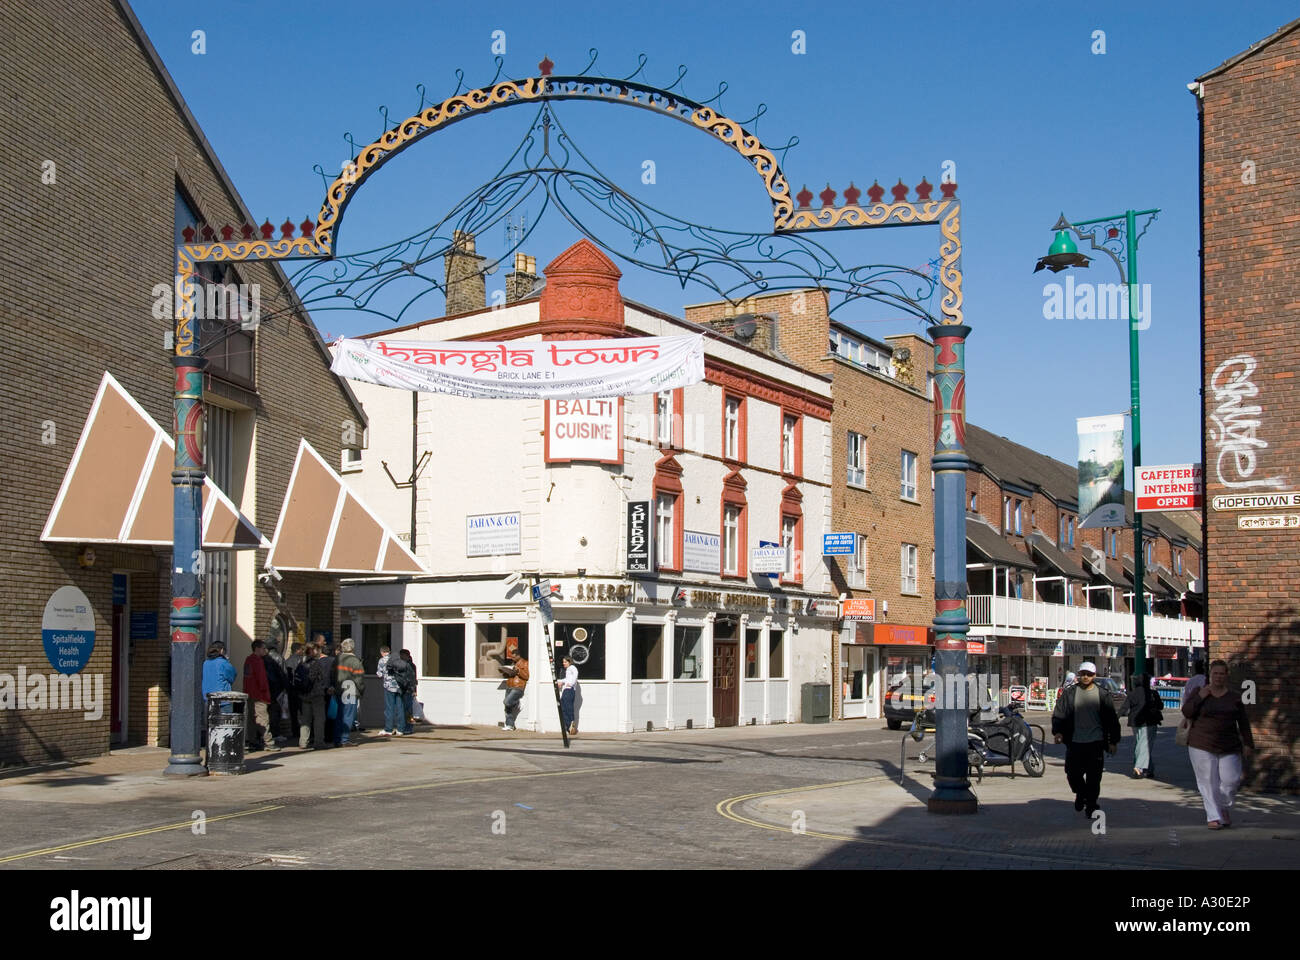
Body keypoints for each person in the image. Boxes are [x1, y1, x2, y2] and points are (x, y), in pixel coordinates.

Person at [1182, 659, 1254, 829]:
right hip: (1201, 743)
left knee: (1231, 780)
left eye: (1222, 674)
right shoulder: (1200, 692)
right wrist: (1200, 697)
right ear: (1210, 675)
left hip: (1229, 744)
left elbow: (1243, 722)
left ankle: (1223, 807)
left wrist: (1248, 743)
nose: (1219, 677)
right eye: (1215, 673)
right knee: (1207, 781)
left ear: (1226, 676)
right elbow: (1186, 711)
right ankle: (1213, 817)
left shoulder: (1234, 697)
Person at [1051, 660, 1121, 817]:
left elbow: (1111, 720)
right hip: (1075, 742)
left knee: (1094, 777)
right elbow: (1059, 713)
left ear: (1094, 676)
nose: (1086, 677)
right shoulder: (1070, 693)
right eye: (1083, 674)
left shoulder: (1102, 695)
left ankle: (1091, 805)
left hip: (1095, 742)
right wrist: (1058, 732)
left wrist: (1113, 742)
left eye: (1089, 674)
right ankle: (1081, 793)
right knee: (1072, 773)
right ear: (1078, 675)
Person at [1121, 673, 1162, 778]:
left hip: (1135, 723)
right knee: (1145, 745)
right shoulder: (1152, 693)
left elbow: (1124, 708)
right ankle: (1139, 768)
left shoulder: (1132, 694)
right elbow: (1160, 706)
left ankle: (1149, 769)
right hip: (1150, 722)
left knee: (1140, 744)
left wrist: (1114, 719)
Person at [242, 640, 279, 752]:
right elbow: (262, 680)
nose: (265, 651)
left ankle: (251, 740)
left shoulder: (248, 660)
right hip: (259, 695)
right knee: (263, 718)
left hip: (250, 693)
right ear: (257, 649)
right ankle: (269, 742)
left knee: (252, 719)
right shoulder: (258, 661)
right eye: (263, 648)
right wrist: (265, 694)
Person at [296, 643, 330, 750]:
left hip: (304, 695)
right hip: (316, 694)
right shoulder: (316, 663)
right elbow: (322, 679)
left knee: (305, 719)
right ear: (313, 651)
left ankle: (303, 742)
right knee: (319, 718)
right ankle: (319, 742)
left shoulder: (301, 663)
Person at [334, 639, 365, 746]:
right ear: (352, 648)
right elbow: (359, 679)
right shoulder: (354, 661)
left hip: (339, 689)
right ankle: (344, 739)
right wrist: (361, 690)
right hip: (350, 690)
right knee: (348, 715)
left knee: (339, 715)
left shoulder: (337, 659)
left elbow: (332, 674)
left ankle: (337, 739)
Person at [492, 643, 529, 731]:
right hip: (509, 685)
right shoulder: (513, 663)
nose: (512, 658)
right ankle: (510, 725)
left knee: (507, 702)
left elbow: (526, 676)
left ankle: (517, 703)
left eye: (513, 657)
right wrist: (504, 672)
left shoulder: (524, 663)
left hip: (518, 686)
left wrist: (518, 670)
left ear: (518, 656)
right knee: (507, 707)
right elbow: (510, 674)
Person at [377, 644, 404, 737]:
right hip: (399, 686)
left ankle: (388, 729)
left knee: (389, 708)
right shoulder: (397, 659)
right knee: (400, 707)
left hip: (389, 687)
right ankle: (400, 729)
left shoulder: (382, 660)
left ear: (382, 652)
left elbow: (379, 674)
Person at [264, 641, 289, 742]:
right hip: (277, 688)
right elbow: (283, 673)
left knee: (267, 712)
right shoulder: (278, 657)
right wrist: (286, 687)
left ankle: (267, 732)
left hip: (267, 688)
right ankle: (275, 733)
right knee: (275, 711)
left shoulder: (264, 658)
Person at [316, 638, 337, 744]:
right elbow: (335, 675)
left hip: (319, 691)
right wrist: (332, 686)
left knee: (320, 715)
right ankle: (330, 736)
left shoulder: (317, 662)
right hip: (330, 690)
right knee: (331, 714)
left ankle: (319, 736)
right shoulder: (334, 661)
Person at [284, 641, 305, 742]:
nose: (303, 651)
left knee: (293, 712)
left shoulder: (287, 661)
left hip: (291, 690)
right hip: (299, 690)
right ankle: (303, 731)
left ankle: (295, 731)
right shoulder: (299, 660)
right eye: (301, 649)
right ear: (297, 650)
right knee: (302, 711)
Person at [556, 655, 579, 736]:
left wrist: (570, 684)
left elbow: (575, 675)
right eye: (563, 662)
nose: (563, 663)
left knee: (568, 706)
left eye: (565, 662)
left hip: (569, 690)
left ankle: (571, 721)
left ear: (569, 662)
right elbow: (567, 679)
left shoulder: (572, 667)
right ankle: (569, 727)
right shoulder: (568, 670)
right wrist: (561, 681)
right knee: (563, 707)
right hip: (566, 689)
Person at [399, 649, 419, 728]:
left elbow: (413, 678)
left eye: (401, 655)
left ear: (405, 655)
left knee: (407, 709)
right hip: (406, 689)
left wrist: (414, 690)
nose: (400, 657)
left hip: (407, 689)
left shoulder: (409, 665)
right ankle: (406, 726)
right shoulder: (409, 664)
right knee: (406, 709)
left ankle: (407, 727)